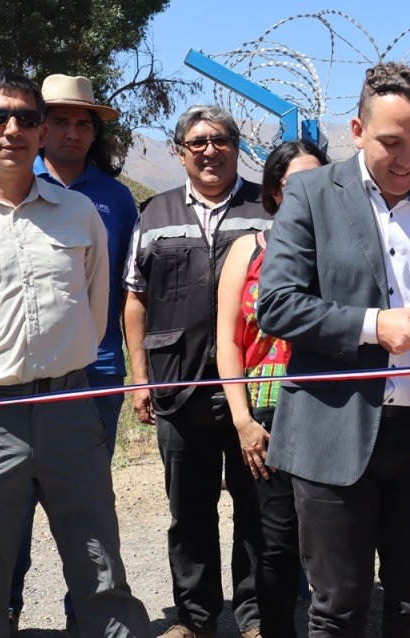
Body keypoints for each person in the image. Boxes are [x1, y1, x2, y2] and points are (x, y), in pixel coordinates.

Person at [0, 69, 152, 638]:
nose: (11, 129)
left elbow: (95, 311)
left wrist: (59, 366)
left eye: (25, 119)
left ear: (40, 133)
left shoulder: (79, 214)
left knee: (100, 570)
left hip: (69, 408)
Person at [257, 61, 410, 636]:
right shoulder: (313, 194)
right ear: (358, 131)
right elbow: (277, 305)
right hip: (333, 433)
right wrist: (373, 326)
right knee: (338, 608)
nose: (408, 158)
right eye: (391, 141)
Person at [123, 104, 270, 638]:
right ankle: (195, 619)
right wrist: (139, 376)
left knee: (256, 509)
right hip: (176, 384)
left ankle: (255, 618)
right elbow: (135, 298)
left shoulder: (265, 208)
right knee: (189, 512)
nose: (211, 150)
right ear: (181, 151)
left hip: (253, 387)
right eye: (198, 141)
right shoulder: (154, 213)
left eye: (222, 139)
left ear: (236, 146)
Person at [7, 73, 139, 637]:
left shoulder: (115, 197)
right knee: (8, 506)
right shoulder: (8, 184)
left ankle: (84, 619)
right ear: (38, 128)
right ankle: (3, 612)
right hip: (17, 376)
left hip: (98, 371)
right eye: (58, 120)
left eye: (82, 122)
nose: (71, 131)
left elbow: (130, 288)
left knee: (83, 507)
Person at [216, 139, 328, 637]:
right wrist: (242, 420)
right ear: (275, 192)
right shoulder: (248, 249)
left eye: (318, 183)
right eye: (294, 184)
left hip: (332, 410)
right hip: (266, 413)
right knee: (274, 543)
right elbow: (227, 341)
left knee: (331, 542)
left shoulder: (345, 247)